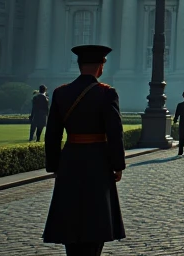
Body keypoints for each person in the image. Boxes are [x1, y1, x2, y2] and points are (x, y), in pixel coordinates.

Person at [42, 44, 125, 256]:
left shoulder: (61, 93)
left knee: (70, 216)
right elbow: (115, 133)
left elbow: (52, 135)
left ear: (79, 66)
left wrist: (54, 165)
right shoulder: (107, 93)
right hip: (97, 161)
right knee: (96, 218)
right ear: (100, 66)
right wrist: (117, 165)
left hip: (70, 160)